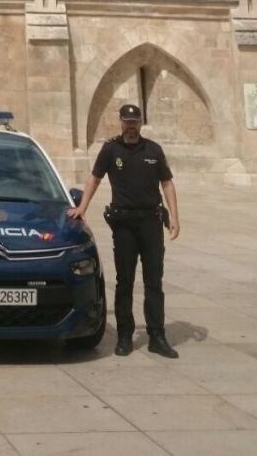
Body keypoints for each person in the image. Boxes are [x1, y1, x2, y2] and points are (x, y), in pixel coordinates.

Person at [68, 104, 181, 358]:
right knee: (125, 281)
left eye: (135, 121)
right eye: (127, 121)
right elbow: (94, 178)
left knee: (154, 280)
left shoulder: (153, 149)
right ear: (120, 122)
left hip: (151, 222)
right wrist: (82, 207)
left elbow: (167, 183)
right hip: (124, 225)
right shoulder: (110, 149)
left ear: (141, 123)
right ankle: (124, 336)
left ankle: (157, 335)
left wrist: (174, 216)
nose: (131, 125)